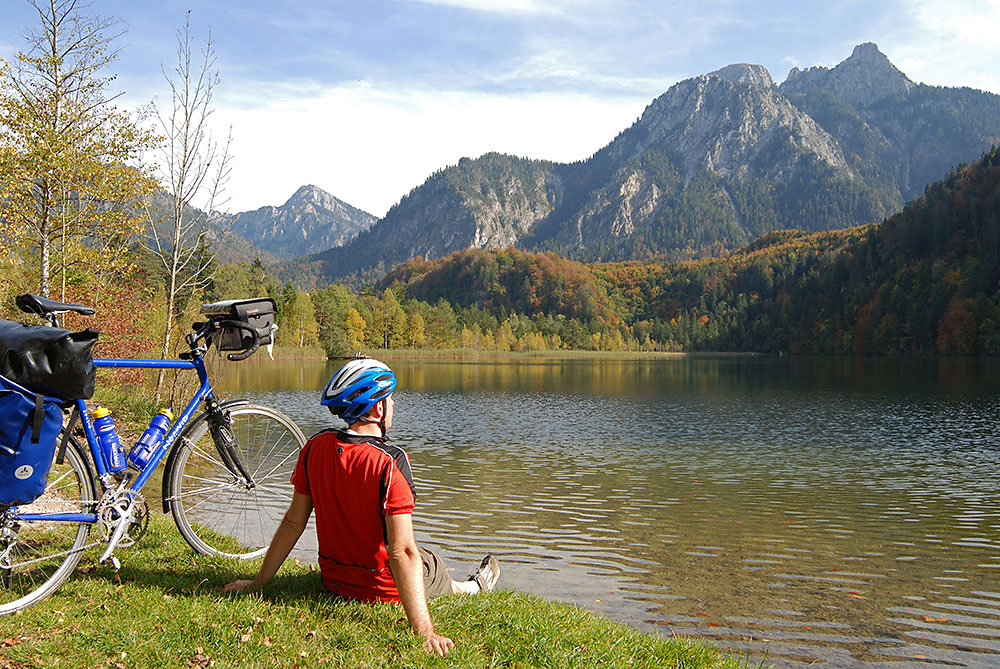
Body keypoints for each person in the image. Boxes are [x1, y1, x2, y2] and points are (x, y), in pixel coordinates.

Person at [222, 358, 499, 656]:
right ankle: (473, 587)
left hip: (334, 581)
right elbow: (401, 551)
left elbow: (293, 522)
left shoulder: (314, 447)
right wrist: (425, 631)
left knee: (419, 556)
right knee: (428, 563)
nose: (393, 406)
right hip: (381, 588)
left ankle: (463, 583)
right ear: (379, 408)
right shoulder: (391, 462)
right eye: (390, 400)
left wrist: (258, 582)